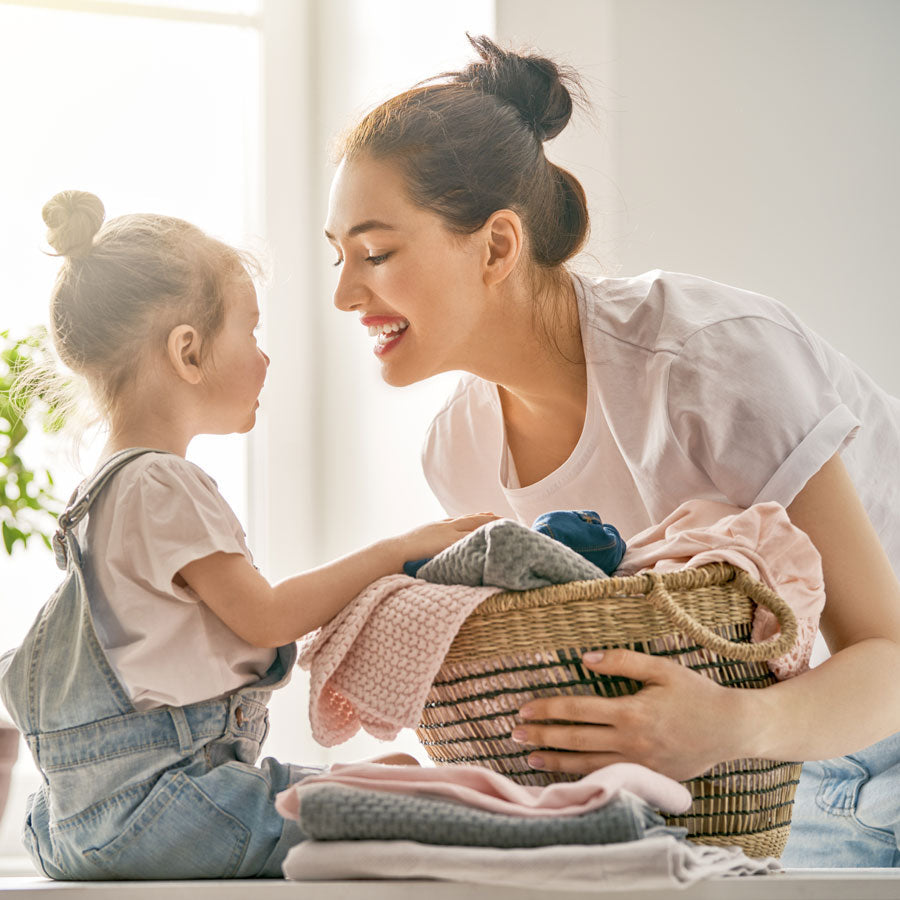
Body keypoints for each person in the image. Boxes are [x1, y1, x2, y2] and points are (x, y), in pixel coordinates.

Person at [323, 35, 900, 866]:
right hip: (767, 766)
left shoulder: (710, 359)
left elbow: (882, 649)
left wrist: (733, 726)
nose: (346, 293)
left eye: (375, 254)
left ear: (495, 247)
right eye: (338, 256)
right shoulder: (458, 450)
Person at [0, 190, 493, 880]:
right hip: (168, 808)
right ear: (189, 352)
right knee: (429, 811)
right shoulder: (160, 484)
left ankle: (372, 783)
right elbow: (266, 618)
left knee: (390, 778)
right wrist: (401, 548)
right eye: (252, 332)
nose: (264, 359)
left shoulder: (101, 494)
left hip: (79, 822)